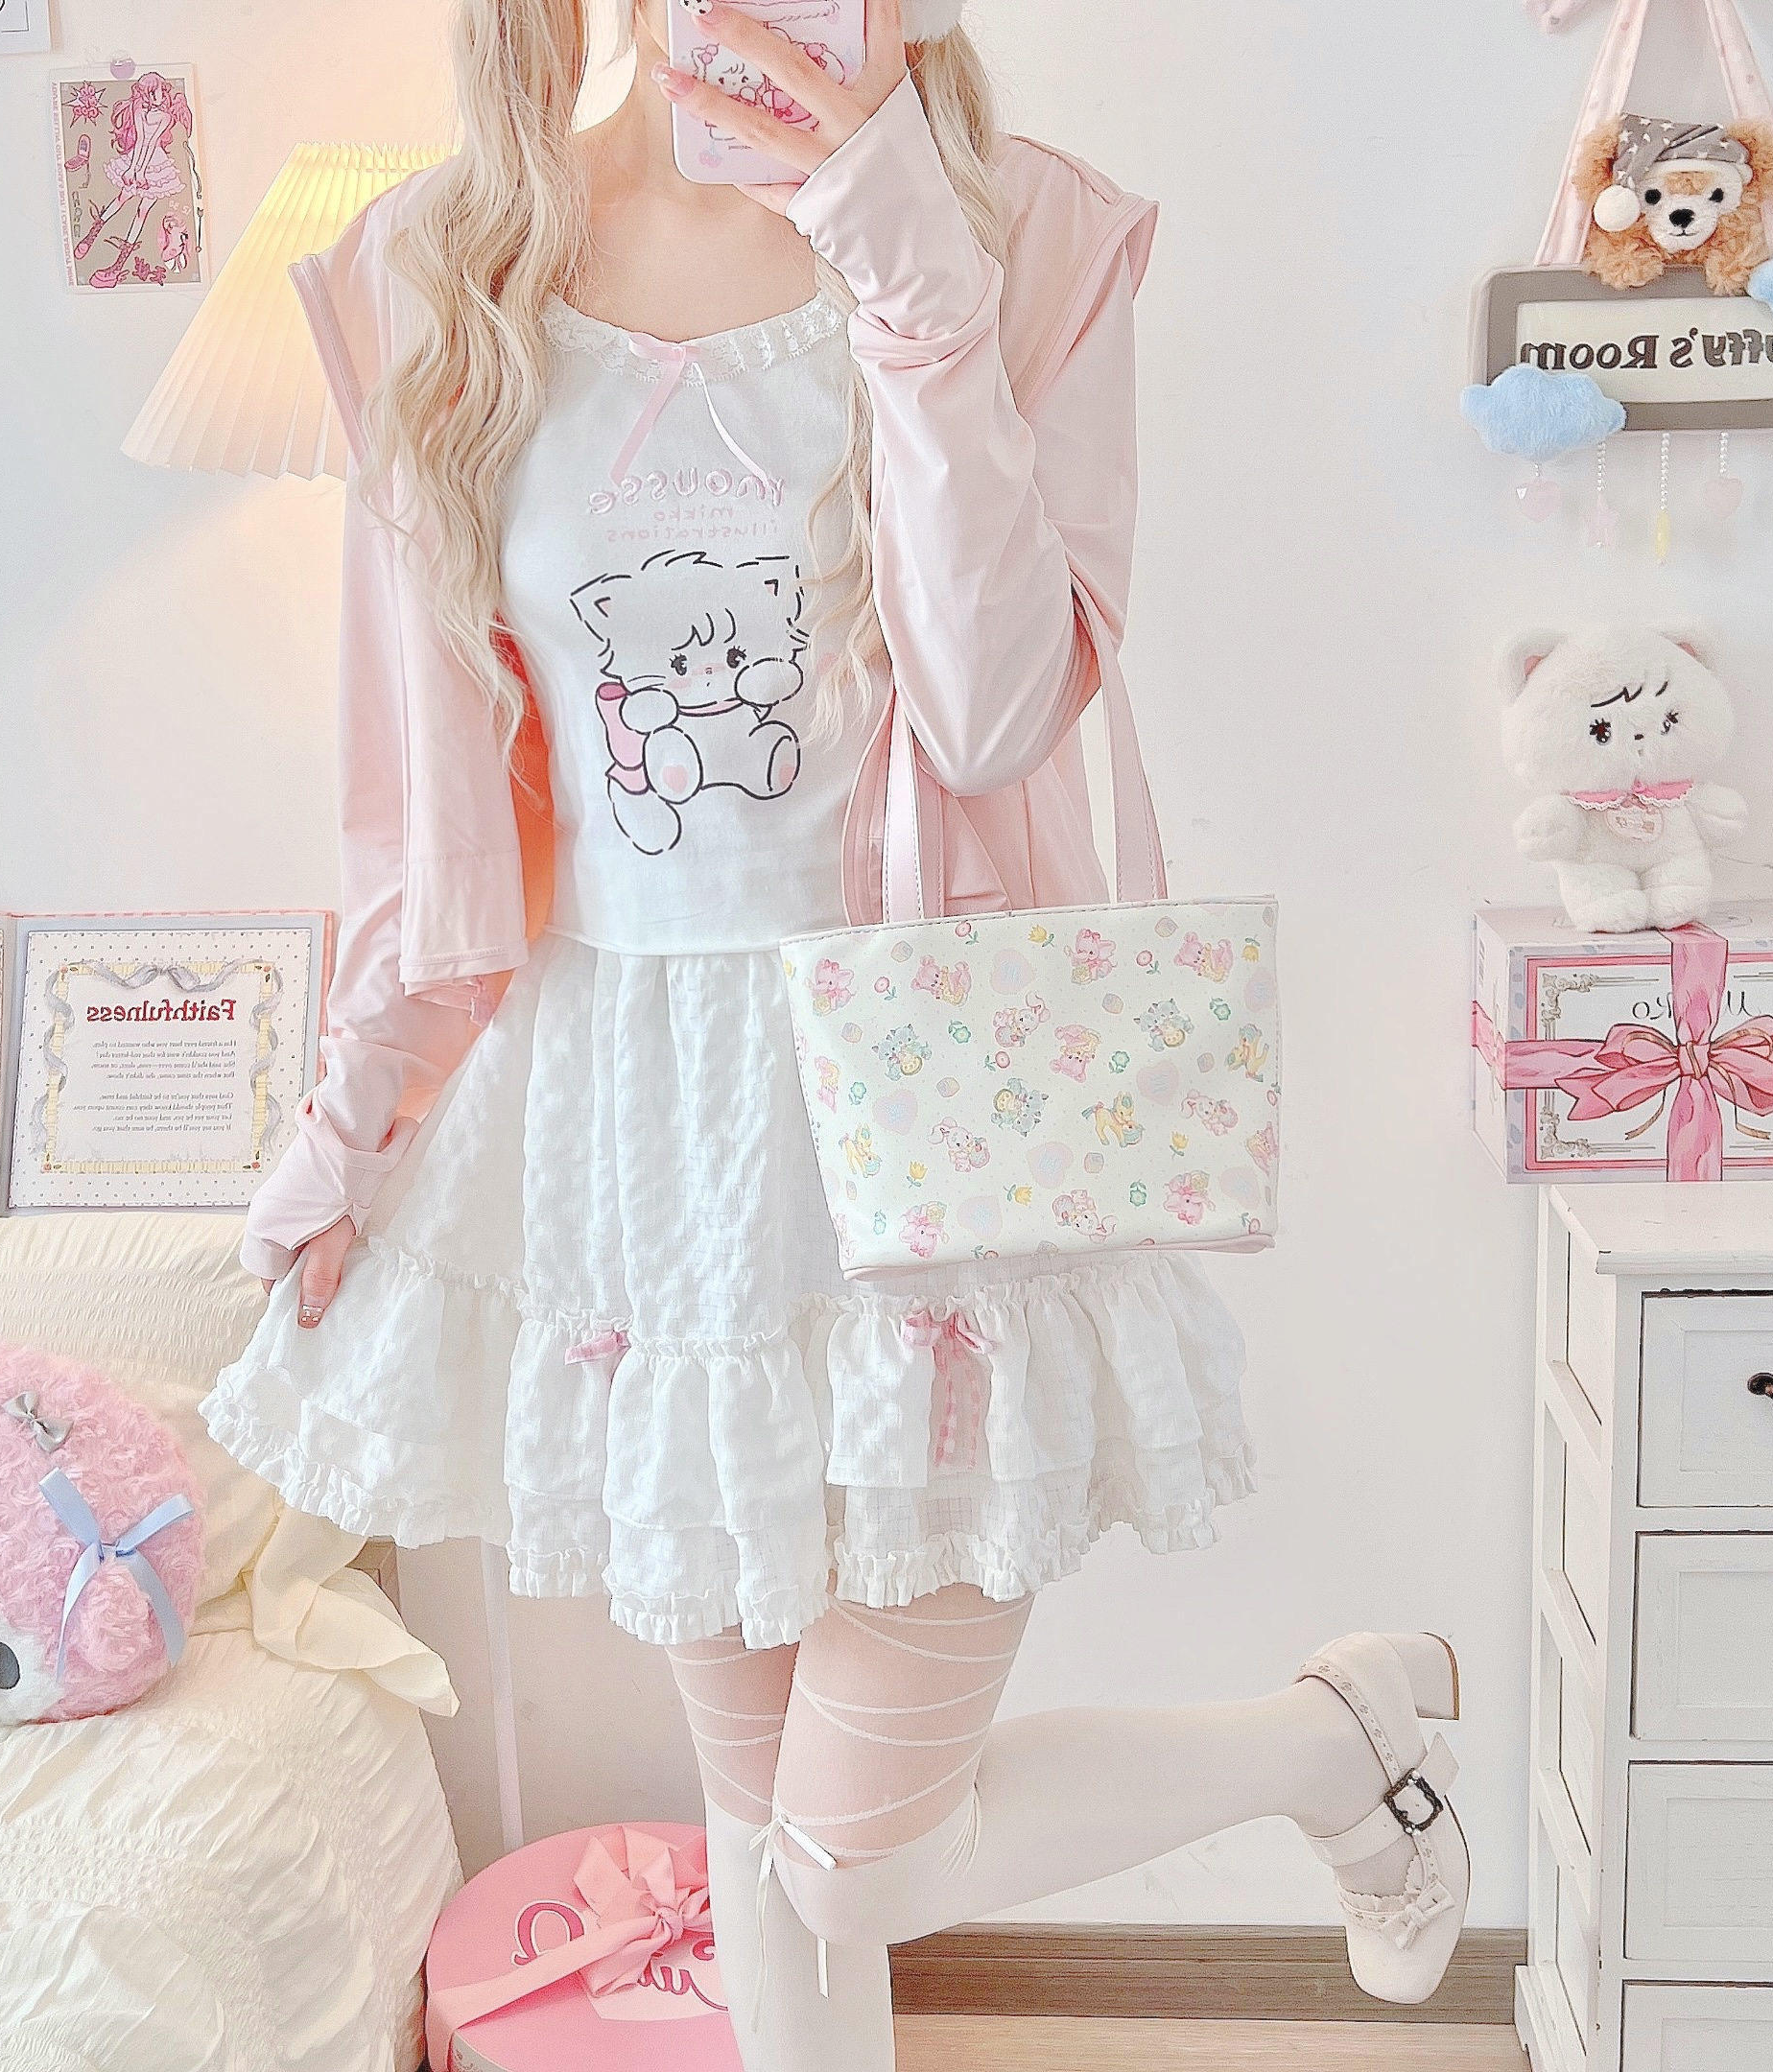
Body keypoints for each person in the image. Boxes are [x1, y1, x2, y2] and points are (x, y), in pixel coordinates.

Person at [203, 3, 1469, 2061]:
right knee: (763, 1831)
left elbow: (994, 712)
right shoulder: (441, 264)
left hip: (916, 1106)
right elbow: (427, 814)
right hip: (638, 1125)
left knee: (859, 1856)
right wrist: (353, 1121)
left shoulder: (1018, 233)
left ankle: (1336, 1750)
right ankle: (1340, 1753)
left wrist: (905, 260)